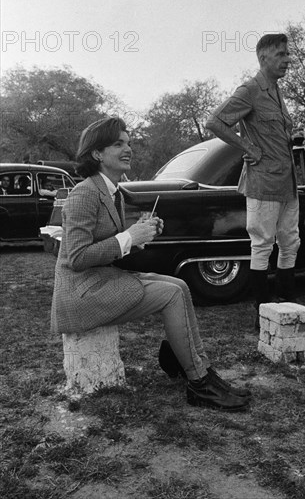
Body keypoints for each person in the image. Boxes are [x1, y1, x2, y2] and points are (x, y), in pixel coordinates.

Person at [51, 117, 251, 411]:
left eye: (129, 142)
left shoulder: (112, 191)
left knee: (180, 285)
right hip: (81, 293)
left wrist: (140, 237)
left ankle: (195, 368)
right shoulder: (85, 193)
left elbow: (112, 247)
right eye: (118, 144)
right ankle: (198, 383)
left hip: (101, 280)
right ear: (97, 154)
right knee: (170, 294)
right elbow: (78, 258)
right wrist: (129, 236)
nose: (127, 149)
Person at [206, 34, 304, 327]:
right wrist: (247, 148)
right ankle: (261, 309)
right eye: (281, 54)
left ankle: (287, 306)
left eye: (288, 54)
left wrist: (292, 136)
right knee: (262, 243)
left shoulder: (276, 90)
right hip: (263, 181)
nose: (288, 59)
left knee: (291, 242)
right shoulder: (250, 89)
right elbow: (215, 121)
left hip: (287, 181)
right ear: (263, 58)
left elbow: (275, 132)